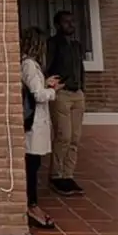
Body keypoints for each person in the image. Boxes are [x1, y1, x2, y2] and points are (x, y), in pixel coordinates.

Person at [20, 26, 62, 229]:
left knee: (34, 164)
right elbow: (37, 94)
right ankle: (31, 205)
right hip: (34, 123)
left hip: (36, 123)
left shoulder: (29, 65)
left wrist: (45, 82)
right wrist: (52, 90)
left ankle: (32, 203)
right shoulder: (29, 64)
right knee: (31, 165)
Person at [45, 10, 86, 196]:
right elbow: (46, 67)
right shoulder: (53, 44)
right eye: (66, 22)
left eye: (72, 21)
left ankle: (68, 174)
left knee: (75, 137)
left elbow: (81, 68)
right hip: (62, 93)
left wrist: (82, 88)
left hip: (77, 93)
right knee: (64, 135)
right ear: (57, 25)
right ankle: (57, 175)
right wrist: (52, 85)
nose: (70, 24)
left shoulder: (77, 45)